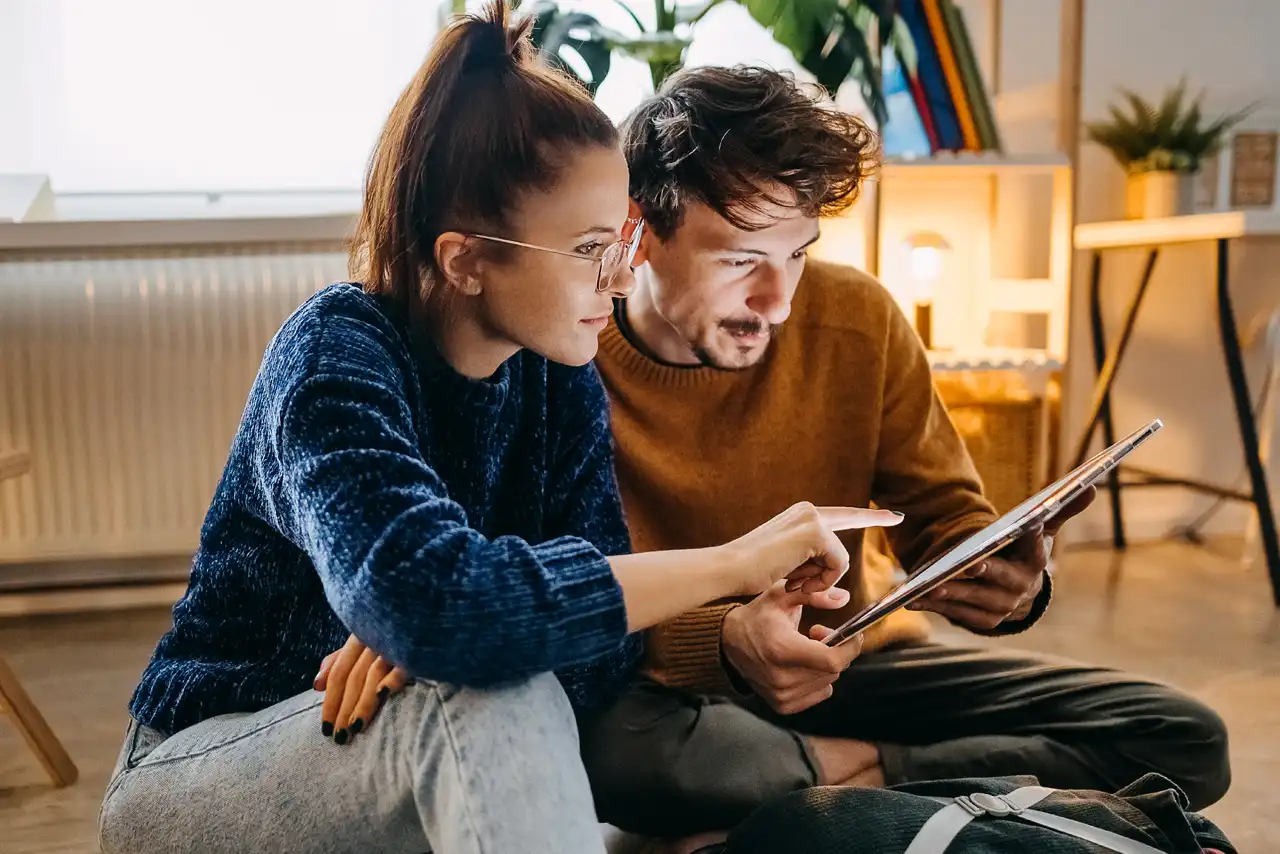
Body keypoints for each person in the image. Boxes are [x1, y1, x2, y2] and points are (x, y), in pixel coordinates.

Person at [94, 10, 903, 854]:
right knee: (478, 690)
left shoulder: (560, 382)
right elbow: (441, 610)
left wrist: (461, 620)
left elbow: (592, 671)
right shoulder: (334, 354)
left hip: (389, 751)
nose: (623, 277)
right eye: (593, 247)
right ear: (465, 260)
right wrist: (734, 565)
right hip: (202, 772)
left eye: (622, 240)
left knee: (488, 674)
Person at [577, 65, 1233, 844]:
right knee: (609, 749)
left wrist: (1003, 578)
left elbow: (945, 518)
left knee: (1184, 734)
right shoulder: (570, 356)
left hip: (851, 664)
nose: (778, 301)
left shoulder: (857, 317)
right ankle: (901, 791)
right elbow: (566, 598)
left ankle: (849, 775)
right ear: (640, 232)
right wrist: (723, 638)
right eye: (740, 260)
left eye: (797, 255)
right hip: (667, 685)